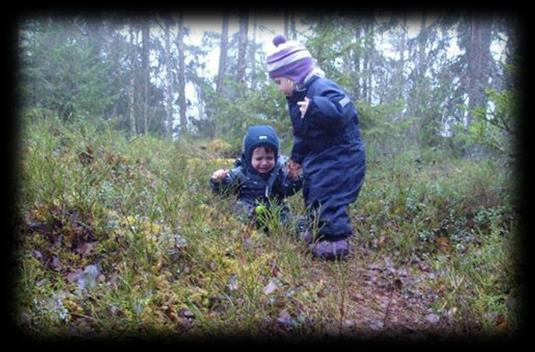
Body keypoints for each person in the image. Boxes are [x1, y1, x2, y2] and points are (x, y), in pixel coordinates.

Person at [267, 34, 366, 260]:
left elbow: (344, 110)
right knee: (314, 191)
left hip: (343, 157)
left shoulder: (322, 88)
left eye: (279, 82)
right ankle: (319, 232)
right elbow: (303, 135)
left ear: (293, 76)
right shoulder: (298, 99)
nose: (280, 88)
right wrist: (297, 159)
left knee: (330, 196)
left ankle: (335, 242)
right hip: (322, 157)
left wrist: (315, 107)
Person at [210, 124, 303, 228]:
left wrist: (293, 178)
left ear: (276, 157)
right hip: (248, 210)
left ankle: (304, 233)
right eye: (259, 159)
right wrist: (219, 181)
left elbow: (288, 191)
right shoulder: (241, 172)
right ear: (249, 158)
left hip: (275, 210)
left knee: (292, 222)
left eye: (269, 158)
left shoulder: (280, 172)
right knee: (237, 210)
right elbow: (225, 190)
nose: (264, 163)